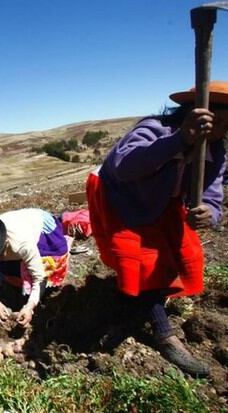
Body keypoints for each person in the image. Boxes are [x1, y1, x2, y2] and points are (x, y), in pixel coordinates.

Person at [86, 81, 228, 377]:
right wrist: (179, 141)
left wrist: (209, 214)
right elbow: (125, 167)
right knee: (141, 258)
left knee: (184, 251)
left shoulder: (216, 150)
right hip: (120, 196)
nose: (222, 131)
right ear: (200, 114)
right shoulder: (155, 129)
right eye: (221, 122)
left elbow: (213, 195)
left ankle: (141, 302)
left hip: (163, 200)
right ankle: (164, 334)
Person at [0, 208, 71, 326]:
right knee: (9, 272)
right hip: (16, 229)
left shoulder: (23, 244)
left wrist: (30, 307)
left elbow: (39, 278)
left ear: (6, 245)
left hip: (40, 227)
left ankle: (42, 294)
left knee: (47, 266)